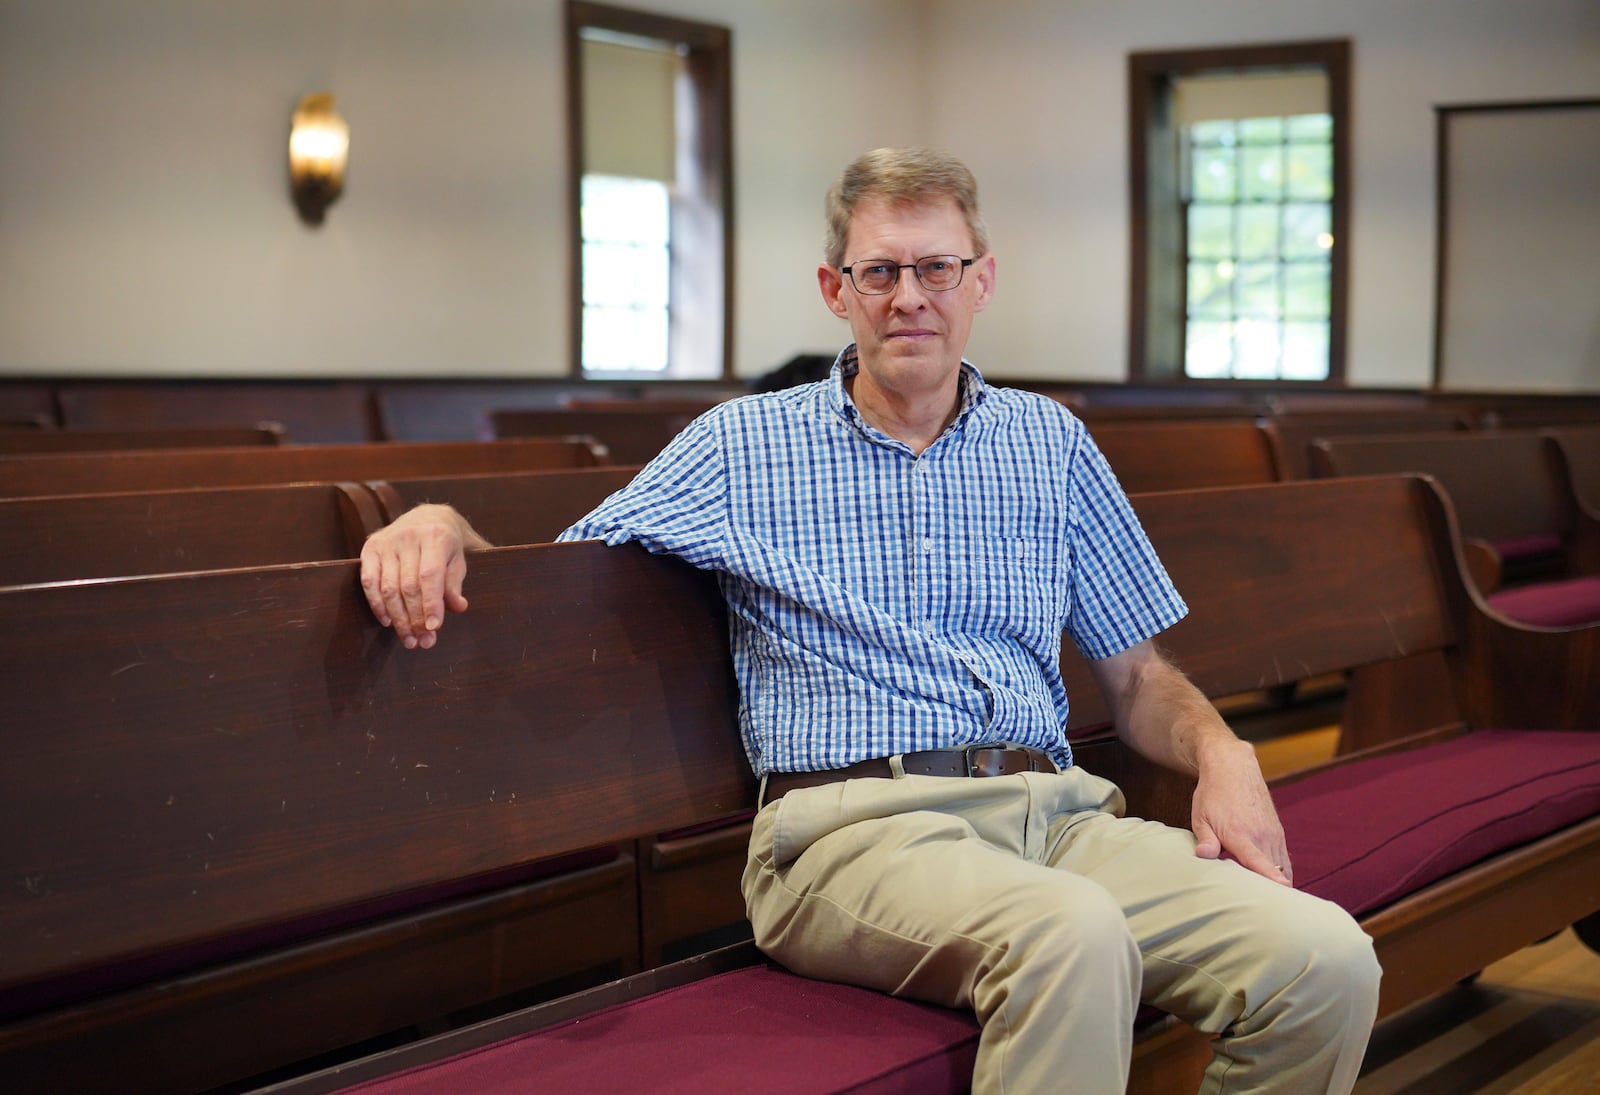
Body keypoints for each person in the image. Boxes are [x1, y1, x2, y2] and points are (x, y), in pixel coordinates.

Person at [360, 147, 1380, 1094]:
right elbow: (556, 579)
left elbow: (1140, 678)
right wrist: (442, 520)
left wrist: (1222, 750)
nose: (909, 298)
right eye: (878, 272)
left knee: (1322, 959)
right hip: (850, 836)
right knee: (1071, 937)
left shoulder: (1050, 445)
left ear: (981, 279)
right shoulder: (742, 449)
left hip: (1056, 819)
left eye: (935, 269)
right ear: (833, 288)